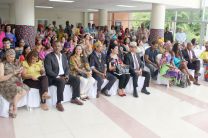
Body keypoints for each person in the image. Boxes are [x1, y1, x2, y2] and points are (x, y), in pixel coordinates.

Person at [44, 41, 83, 112]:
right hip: (53, 77)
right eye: (55, 46)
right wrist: (59, 77)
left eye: (58, 46)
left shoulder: (64, 56)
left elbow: (67, 67)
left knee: (76, 79)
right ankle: (58, 103)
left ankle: (74, 98)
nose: (57, 47)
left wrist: (67, 75)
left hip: (64, 75)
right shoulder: (48, 57)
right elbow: (48, 71)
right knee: (61, 81)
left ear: (61, 47)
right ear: (52, 46)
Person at [0, 49, 29, 118]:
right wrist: (13, 73)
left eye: (14, 57)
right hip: (6, 83)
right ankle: (14, 108)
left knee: (26, 88)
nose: (13, 59)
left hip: (16, 81)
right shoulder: (2, 64)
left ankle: (11, 105)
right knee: (18, 90)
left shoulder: (15, 63)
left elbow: (17, 75)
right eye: (11, 57)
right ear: (6, 56)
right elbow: (1, 78)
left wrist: (19, 73)